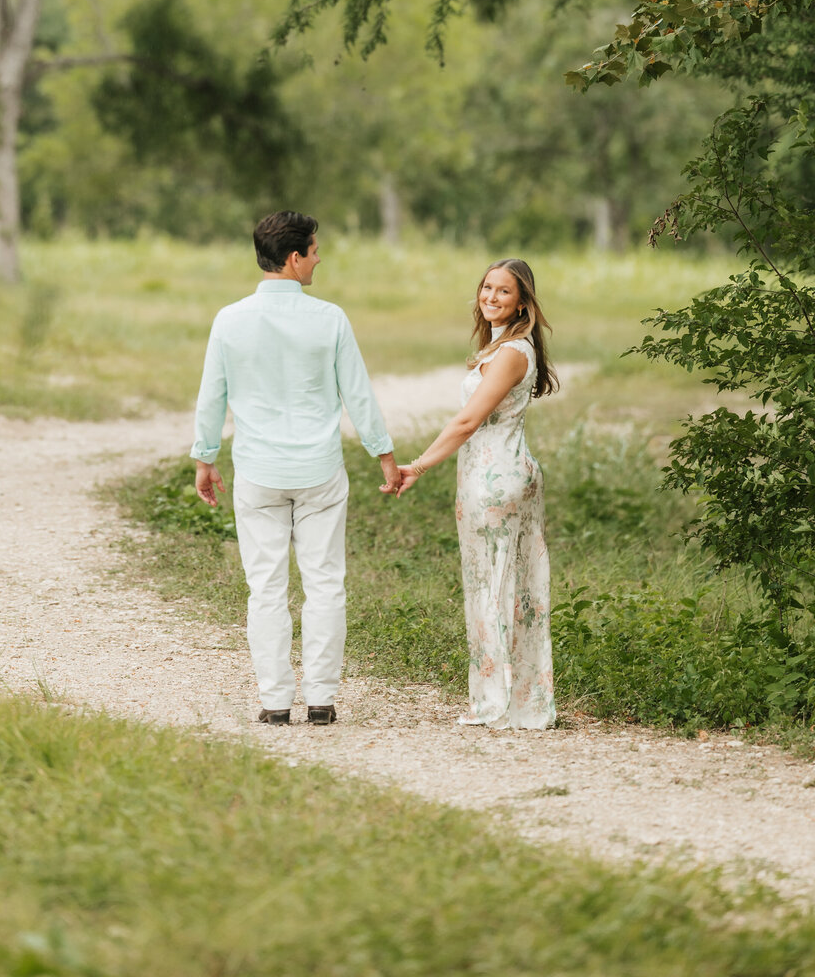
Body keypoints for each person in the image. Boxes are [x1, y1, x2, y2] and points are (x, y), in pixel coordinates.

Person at [192, 211, 400, 727]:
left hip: (258, 472)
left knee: (265, 587)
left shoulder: (229, 319)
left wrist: (205, 458)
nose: (319, 258)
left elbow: (211, 396)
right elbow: (358, 392)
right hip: (318, 472)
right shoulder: (328, 318)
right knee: (325, 582)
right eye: (314, 250)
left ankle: (275, 702)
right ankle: (323, 699)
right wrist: (385, 455)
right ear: (294, 258)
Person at [393, 257, 557, 731]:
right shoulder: (504, 347)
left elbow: (467, 421)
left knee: (494, 588)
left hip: (496, 480)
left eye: (504, 291)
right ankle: (520, 701)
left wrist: (418, 466)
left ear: (523, 301)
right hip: (500, 475)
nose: (491, 297)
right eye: (487, 288)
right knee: (512, 587)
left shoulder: (510, 353)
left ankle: (497, 703)